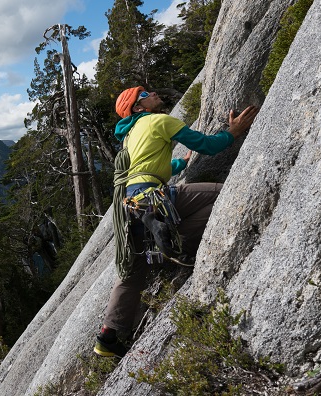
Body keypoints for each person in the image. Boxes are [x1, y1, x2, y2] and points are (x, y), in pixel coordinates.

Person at [93, 86, 260, 358]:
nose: (152, 93)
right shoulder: (159, 120)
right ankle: (172, 237)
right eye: (144, 94)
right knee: (224, 194)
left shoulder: (130, 136)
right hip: (153, 197)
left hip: (130, 208)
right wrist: (234, 131)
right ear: (138, 108)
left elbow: (144, 167)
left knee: (131, 275)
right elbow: (207, 145)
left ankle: (106, 337)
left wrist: (180, 165)